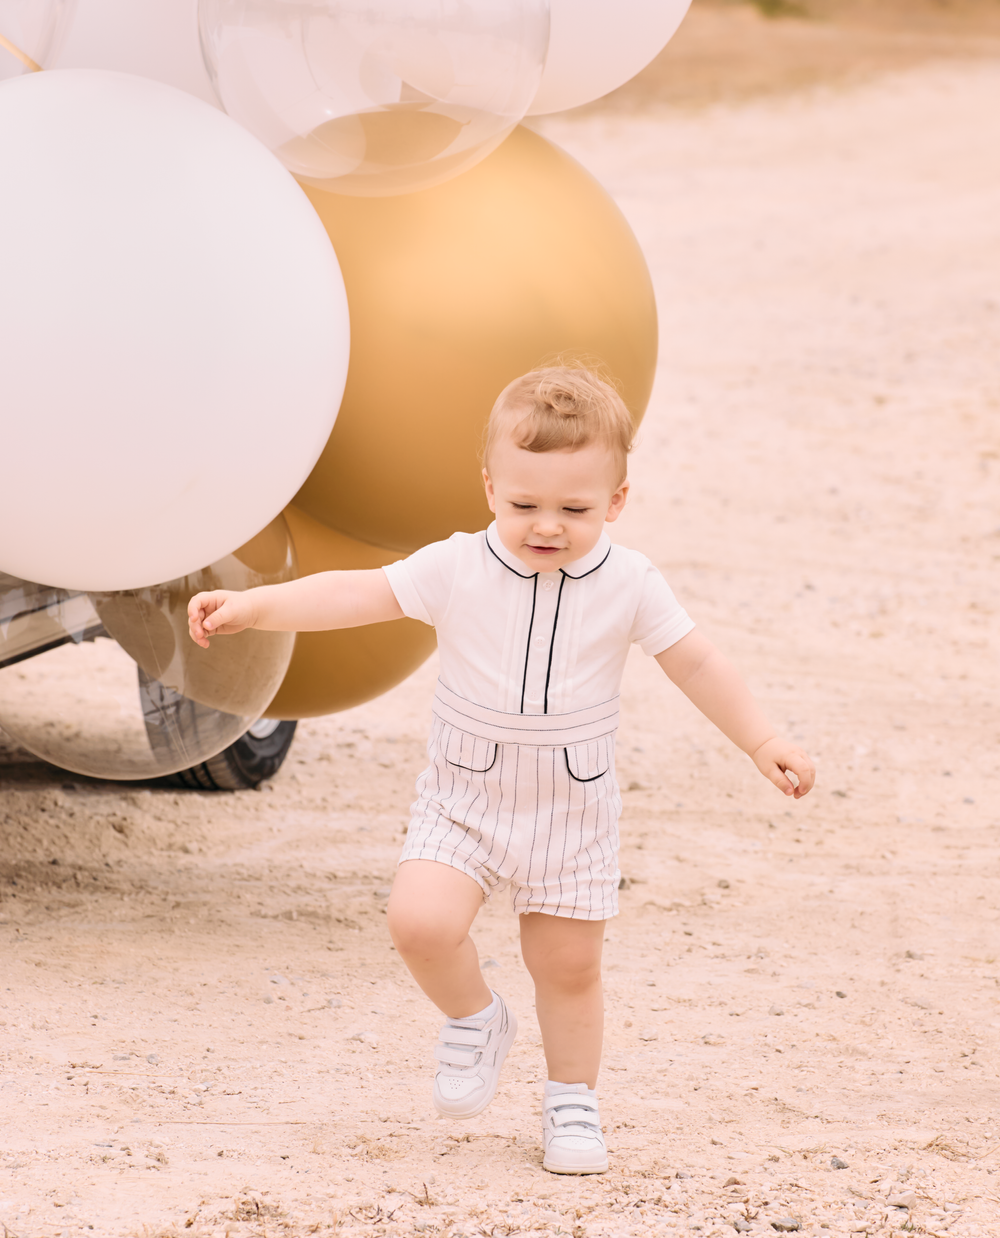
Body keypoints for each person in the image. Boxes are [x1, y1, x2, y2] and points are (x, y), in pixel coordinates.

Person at [187, 366, 815, 1175]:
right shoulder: (457, 566)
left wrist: (762, 740)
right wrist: (257, 608)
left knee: (567, 964)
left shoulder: (629, 581)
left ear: (617, 502)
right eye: (524, 505)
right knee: (419, 923)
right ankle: (476, 1017)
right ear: (489, 488)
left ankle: (572, 1100)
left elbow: (696, 663)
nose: (545, 526)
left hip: (570, 810)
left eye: (575, 509)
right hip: (466, 795)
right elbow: (359, 594)